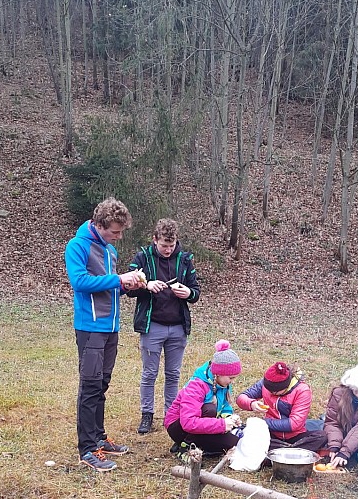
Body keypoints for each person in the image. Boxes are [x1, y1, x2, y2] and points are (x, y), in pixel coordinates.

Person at [64, 197, 144, 472]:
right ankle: (87, 449)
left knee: (102, 384)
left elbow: (112, 288)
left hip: (111, 328)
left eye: (121, 232)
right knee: (89, 387)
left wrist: (130, 284)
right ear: (99, 225)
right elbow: (80, 282)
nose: (119, 237)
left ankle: (99, 436)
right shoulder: (78, 246)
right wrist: (118, 279)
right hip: (90, 329)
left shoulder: (109, 251)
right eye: (115, 232)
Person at [127, 218, 201, 435]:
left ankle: (171, 415)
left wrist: (188, 293)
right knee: (149, 373)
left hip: (178, 327)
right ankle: (147, 414)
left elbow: (196, 291)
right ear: (154, 240)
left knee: (173, 373)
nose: (168, 250)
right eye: (164, 246)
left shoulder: (185, 259)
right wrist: (146, 285)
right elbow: (129, 288)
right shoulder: (143, 257)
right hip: (152, 326)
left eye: (172, 245)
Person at [164, 340, 242, 454]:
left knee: (235, 442)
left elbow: (225, 407)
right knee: (209, 409)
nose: (232, 382)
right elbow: (188, 422)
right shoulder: (196, 386)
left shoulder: (224, 384)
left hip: (204, 425)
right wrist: (222, 424)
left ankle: (201, 444)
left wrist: (230, 418)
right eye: (231, 378)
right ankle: (186, 445)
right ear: (218, 374)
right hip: (179, 428)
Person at [236, 361, 327, 452]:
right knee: (247, 434)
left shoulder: (302, 390)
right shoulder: (267, 383)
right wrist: (251, 404)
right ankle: (293, 451)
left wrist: (265, 423)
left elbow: (294, 424)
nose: (270, 393)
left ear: (285, 387)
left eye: (274, 392)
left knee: (321, 436)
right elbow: (241, 398)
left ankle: (277, 452)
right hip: (271, 434)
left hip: (295, 435)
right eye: (268, 390)